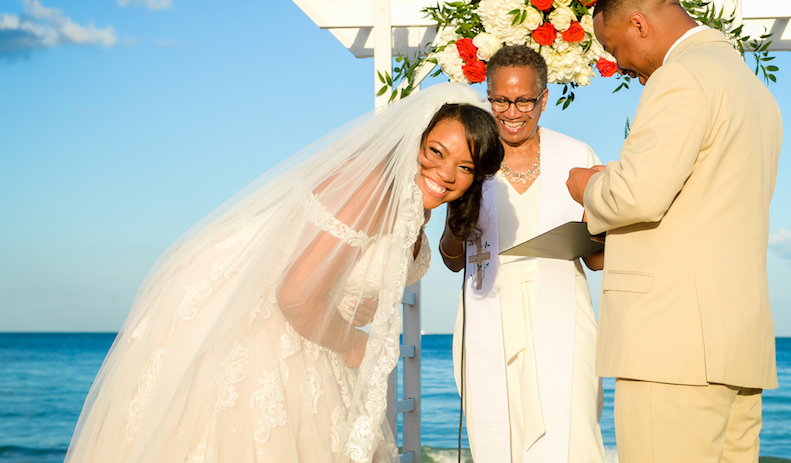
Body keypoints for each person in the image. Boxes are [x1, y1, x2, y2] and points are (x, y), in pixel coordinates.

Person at [64, 83, 504, 463]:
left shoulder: (412, 204)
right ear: (415, 140)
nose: (446, 173)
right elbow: (296, 296)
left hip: (315, 336)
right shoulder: (371, 188)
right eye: (435, 152)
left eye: (465, 167)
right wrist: (355, 344)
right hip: (278, 344)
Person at [566, 0, 782, 463]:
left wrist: (590, 185)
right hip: (738, 346)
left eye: (615, 48)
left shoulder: (681, 76)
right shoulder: (755, 92)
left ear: (638, 24)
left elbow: (637, 196)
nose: (620, 65)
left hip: (671, 346)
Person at [440, 45, 606, 463]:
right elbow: (451, 258)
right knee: (495, 436)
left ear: (544, 98)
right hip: (487, 315)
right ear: (487, 96)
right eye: (500, 100)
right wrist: (459, 213)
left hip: (562, 314)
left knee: (573, 434)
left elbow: (598, 260)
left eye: (524, 100)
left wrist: (599, 223)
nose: (512, 112)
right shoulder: (471, 157)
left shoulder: (577, 154)